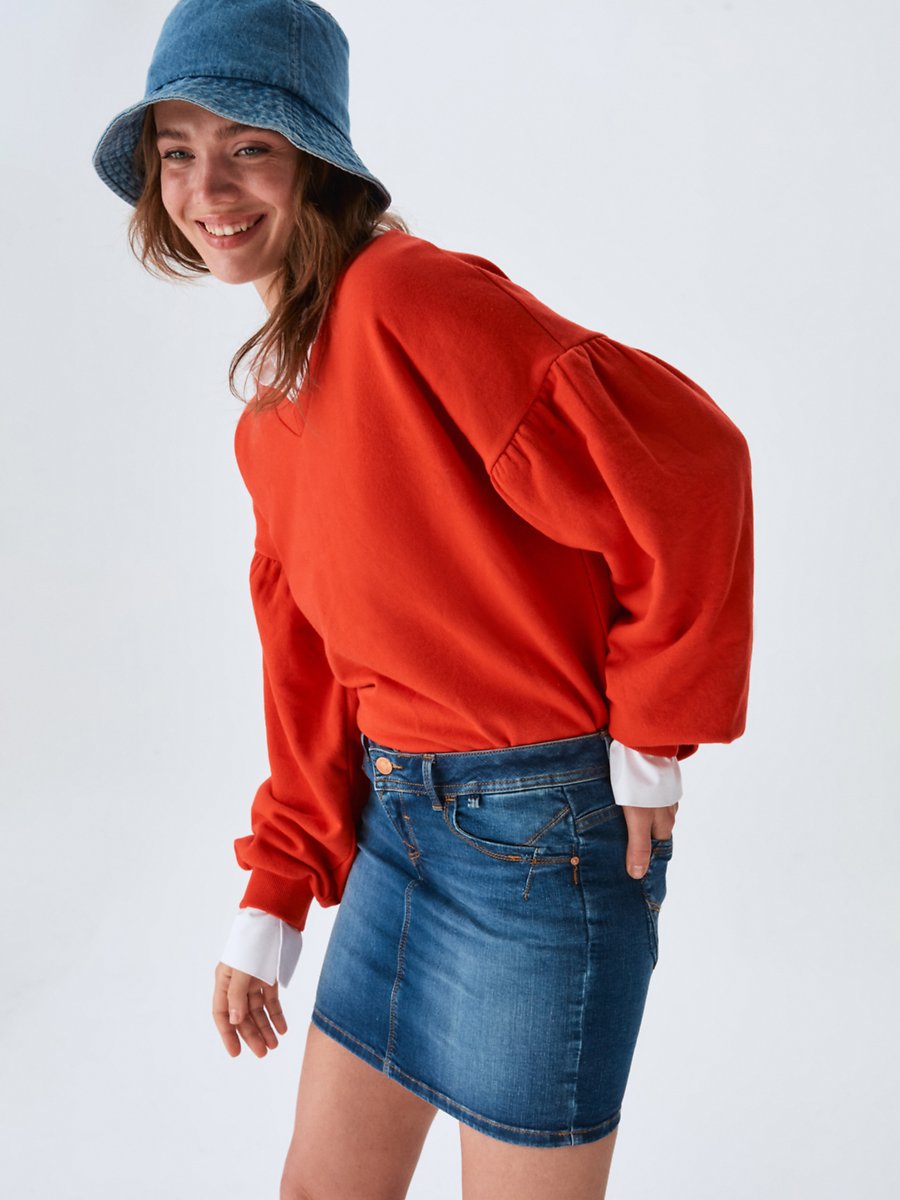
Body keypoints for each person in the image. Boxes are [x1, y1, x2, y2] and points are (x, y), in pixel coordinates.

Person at [93, 2, 753, 1197]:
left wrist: (657, 729)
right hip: (396, 832)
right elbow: (311, 672)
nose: (207, 188)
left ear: (318, 161)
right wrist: (278, 886)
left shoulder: (406, 297)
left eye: (249, 147)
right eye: (177, 152)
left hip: (541, 839)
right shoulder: (270, 424)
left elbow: (691, 464)